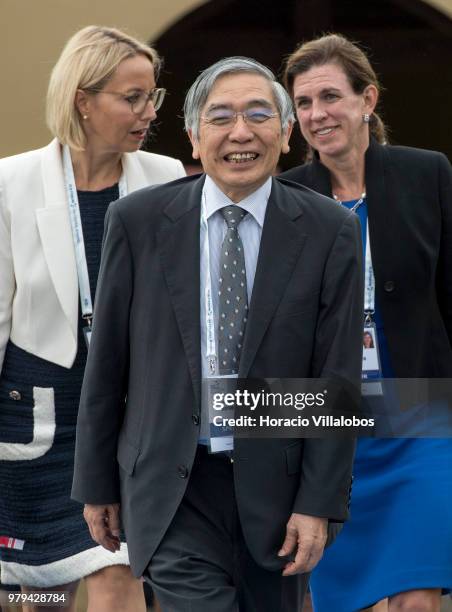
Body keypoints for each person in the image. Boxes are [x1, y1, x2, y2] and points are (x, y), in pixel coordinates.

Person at [71, 56, 364, 611]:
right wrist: (96, 482)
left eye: (259, 114)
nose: (239, 132)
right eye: (220, 116)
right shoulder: (137, 221)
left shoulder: (331, 231)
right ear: (192, 136)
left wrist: (318, 503)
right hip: (171, 483)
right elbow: (106, 361)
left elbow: (334, 380)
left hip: (277, 491)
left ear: (284, 133)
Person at [0, 25, 184, 612]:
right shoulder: (11, 181)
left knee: (117, 574)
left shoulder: (167, 177)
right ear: (83, 98)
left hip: (123, 420)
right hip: (35, 420)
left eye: (152, 96)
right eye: (132, 97)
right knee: (40, 596)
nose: (148, 112)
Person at [281, 33, 452, 612]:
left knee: (418, 598)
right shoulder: (285, 198)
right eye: (303, 103)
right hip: (331, 427)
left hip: (421, 417)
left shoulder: (427, 174)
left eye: (330, 96)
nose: (317, 114)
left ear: (367, 100)